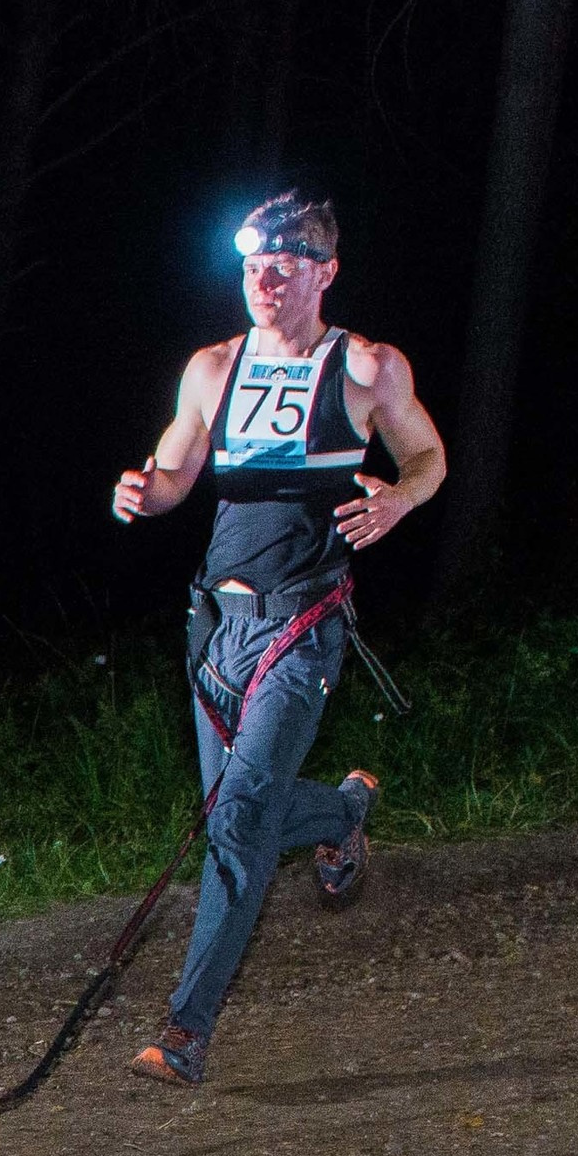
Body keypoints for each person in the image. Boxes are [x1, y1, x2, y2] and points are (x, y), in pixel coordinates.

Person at [109, 192, 446, 1085]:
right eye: (252, 266)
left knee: (238, 822)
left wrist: (400, 498)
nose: (262, 281)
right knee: (237, 816)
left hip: (304, 626)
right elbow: (175, 471)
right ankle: (341, 813)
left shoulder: (366, 367)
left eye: (283, 267)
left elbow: (428, 456)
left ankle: (186, 1033)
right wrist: (144, 491)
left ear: (324, 273)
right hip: (217, 629)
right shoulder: (213, 368)